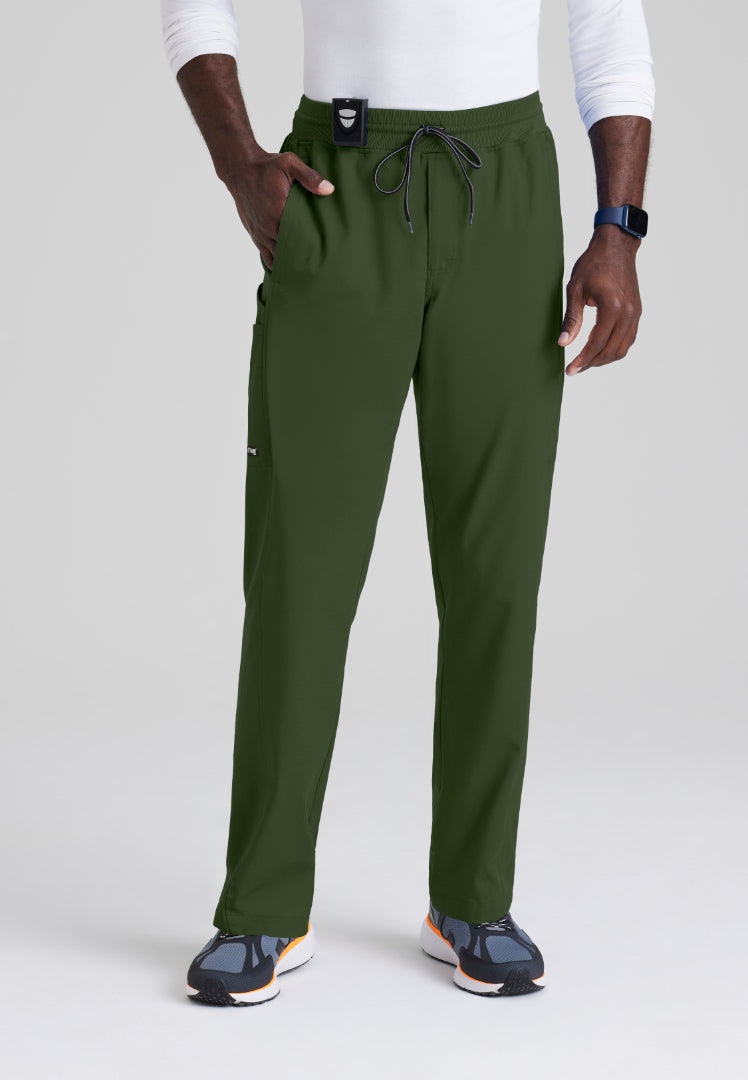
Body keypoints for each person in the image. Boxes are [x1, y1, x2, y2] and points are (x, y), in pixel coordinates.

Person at [161, 0, 654, 1005]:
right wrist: (238, 163)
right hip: (339, 183)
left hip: (506, 188)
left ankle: (473, 902)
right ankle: (262, 907)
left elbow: (609, 33)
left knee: (495, 574)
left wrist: (618, 230)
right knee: (301, 570)